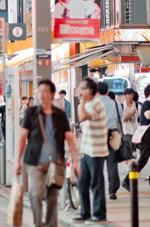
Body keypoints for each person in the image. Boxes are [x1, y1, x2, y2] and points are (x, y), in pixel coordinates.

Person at [14, 80, 80, 227]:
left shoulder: (60, 115)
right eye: (39, 91)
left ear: (52, 94)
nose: (41, 94)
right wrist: (17, 162)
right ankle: (38, 224)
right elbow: (23, 136)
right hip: (35, 161)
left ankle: (51, 225)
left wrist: (75, 162)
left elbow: (69, 138)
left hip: (55, 162)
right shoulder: (31, 113)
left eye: (45, 91)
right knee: (36, 194)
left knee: (52, 197)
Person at [74, 77, 108, 224]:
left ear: (89, 90)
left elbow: (82, 117)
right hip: (86, 150)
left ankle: (100, 214)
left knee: (96, 183)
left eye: (82, 88)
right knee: (82, 183)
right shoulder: (87, 103)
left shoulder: (96, 103)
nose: (79, 91)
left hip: (96, 151)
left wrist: (82, 101)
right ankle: (85, 212)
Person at [123, 83, 150, 192]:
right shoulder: (148, 104)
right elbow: (148, 116)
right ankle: (127, 181)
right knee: (143, 161)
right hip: (147, 138)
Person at [95, 81, 122, 200]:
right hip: (112, 135)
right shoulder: (115, 103)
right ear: (107, 91)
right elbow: (119, 120)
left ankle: (99, 190)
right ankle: (112, 191)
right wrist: (120, 136)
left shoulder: (93, 104)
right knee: (112, 164)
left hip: (98, 136)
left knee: (98, 165)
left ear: (96, 91)